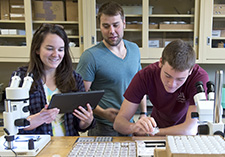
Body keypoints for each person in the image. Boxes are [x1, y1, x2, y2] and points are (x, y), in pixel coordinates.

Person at [10, 23, 95, 136]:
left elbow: (78, 125)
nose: (56, 54)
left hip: (68, 146)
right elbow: (13, 125)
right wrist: (39, 118)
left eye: (60, 49)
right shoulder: (20, 79)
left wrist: (86, 121)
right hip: (38, 148)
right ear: (37, 49)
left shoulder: (74, 79)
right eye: (50, 48)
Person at [76, 1, 147, 136]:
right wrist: (102, 112)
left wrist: (143, 113)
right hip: (103, 127)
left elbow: (140, 85)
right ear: (100, 27)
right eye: (106, 26)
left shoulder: (134, 49)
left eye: (116, 25)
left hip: (129, 125)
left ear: (124, 23)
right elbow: (80, 96)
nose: (112, 31)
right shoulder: (90, 56)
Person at [114, 39, 209, 136]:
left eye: (180, 79)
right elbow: (118, 123)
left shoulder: (199, 78)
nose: (172, 84)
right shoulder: (145, 75)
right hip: (157, 127)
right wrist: (134, 127)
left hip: (182, 136)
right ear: (160, 62)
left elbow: (190, 130)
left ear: (190, 71)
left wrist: (154, 132)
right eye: (167, 76)